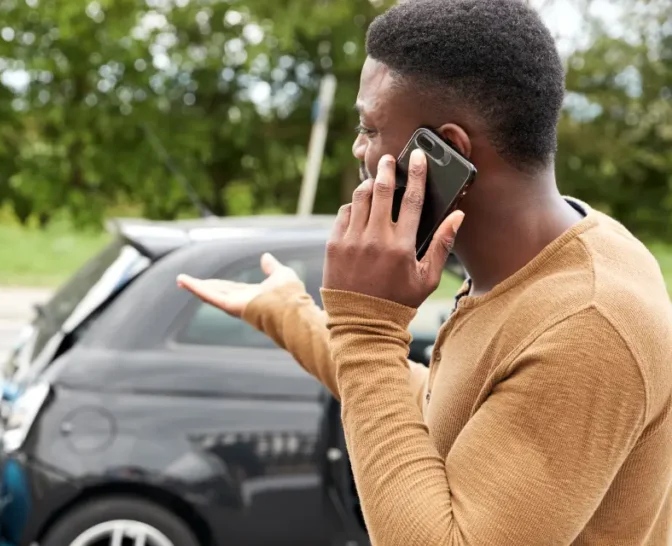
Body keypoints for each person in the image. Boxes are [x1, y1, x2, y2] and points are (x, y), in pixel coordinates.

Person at [176, 1, 672, 544]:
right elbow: (444, 413)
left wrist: (368, 328)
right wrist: (292, 316)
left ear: (445, 152)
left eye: (369, 127)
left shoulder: (588, 323)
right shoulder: (548, 259)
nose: (358, 149)